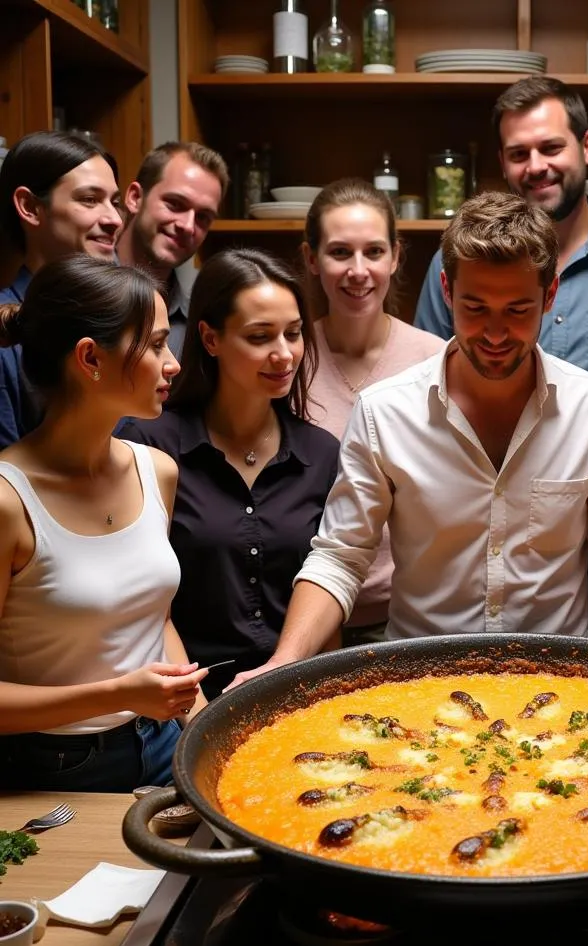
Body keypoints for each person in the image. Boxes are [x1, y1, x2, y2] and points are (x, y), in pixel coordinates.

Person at [231, 191, 588, 687]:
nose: (496, 332)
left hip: (557, 683)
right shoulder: (385, 411)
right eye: (476, 307)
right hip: (419, 685)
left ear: (550, 296)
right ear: (446, 290)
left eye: (519, 310)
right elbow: (340, 555)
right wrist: (285, 660)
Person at [0, 254, 207, 793]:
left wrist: (202, 723)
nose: (174, 363)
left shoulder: (156, 471)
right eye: (157, 344)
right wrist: (118, 694)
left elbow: (151, 618)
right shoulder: (8, 501)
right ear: (90, 358)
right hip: (52, 770)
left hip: (165, 745)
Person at [119, 249, 339, 700]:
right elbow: (137, 604)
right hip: (178, 696)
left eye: (294, 334)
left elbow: (331, 580)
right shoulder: (150, 444)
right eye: (260, 336)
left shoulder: (321, 453)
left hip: (294, 693)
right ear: (210, 338)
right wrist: (193, 712)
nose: (283, 354)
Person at [414, 75, 588, 382]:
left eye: (551, 148)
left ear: (587, 147)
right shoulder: (457, 257)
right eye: (519, 154)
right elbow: (427, 376)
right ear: (503, 163)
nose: (535, 166)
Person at [301, 179, 445, 644]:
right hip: (310, 611)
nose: (358, 271)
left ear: (396, 256)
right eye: (340, 252)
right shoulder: (287, 362)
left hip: (410, 620)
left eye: (374, 252)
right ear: (311, 259)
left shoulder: (436, 361)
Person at [0, 130, 122, 446]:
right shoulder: (5, 329)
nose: (114, 219)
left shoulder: (121, 314)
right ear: (29, 206)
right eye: (90, 199)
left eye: (115, 202)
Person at [116, 141, 228, 358]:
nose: (187, 226)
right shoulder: (77, 290)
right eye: (175, 204)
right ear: (135, 198)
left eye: (203, 217)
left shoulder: (200, 322)